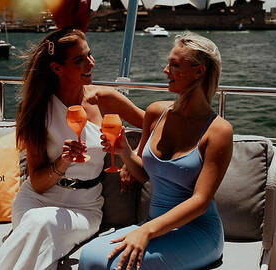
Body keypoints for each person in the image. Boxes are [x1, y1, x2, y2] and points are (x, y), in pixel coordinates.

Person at [0, 28, 144, 270]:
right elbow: (38, 183)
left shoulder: (103, 98)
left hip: (85, 207)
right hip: (35, 200)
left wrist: (133, 156)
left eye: (89, 55)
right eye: (79, 60)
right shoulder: (37, 109)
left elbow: (155, 122)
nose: (90, 63)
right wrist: (63, 162)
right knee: (37, 222)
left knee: (40, 225)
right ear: (56, 68)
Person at [78, 32, 233, 270]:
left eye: (174, 65)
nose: (165, 70)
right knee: (90, 258)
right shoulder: (155, 112)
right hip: (153, 225)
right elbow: (145, 176)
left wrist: (147, 231)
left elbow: (201, 201)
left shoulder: (218, 131)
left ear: (199, 71)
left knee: (119, 266)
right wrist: (124, 151)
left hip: (198, 232)